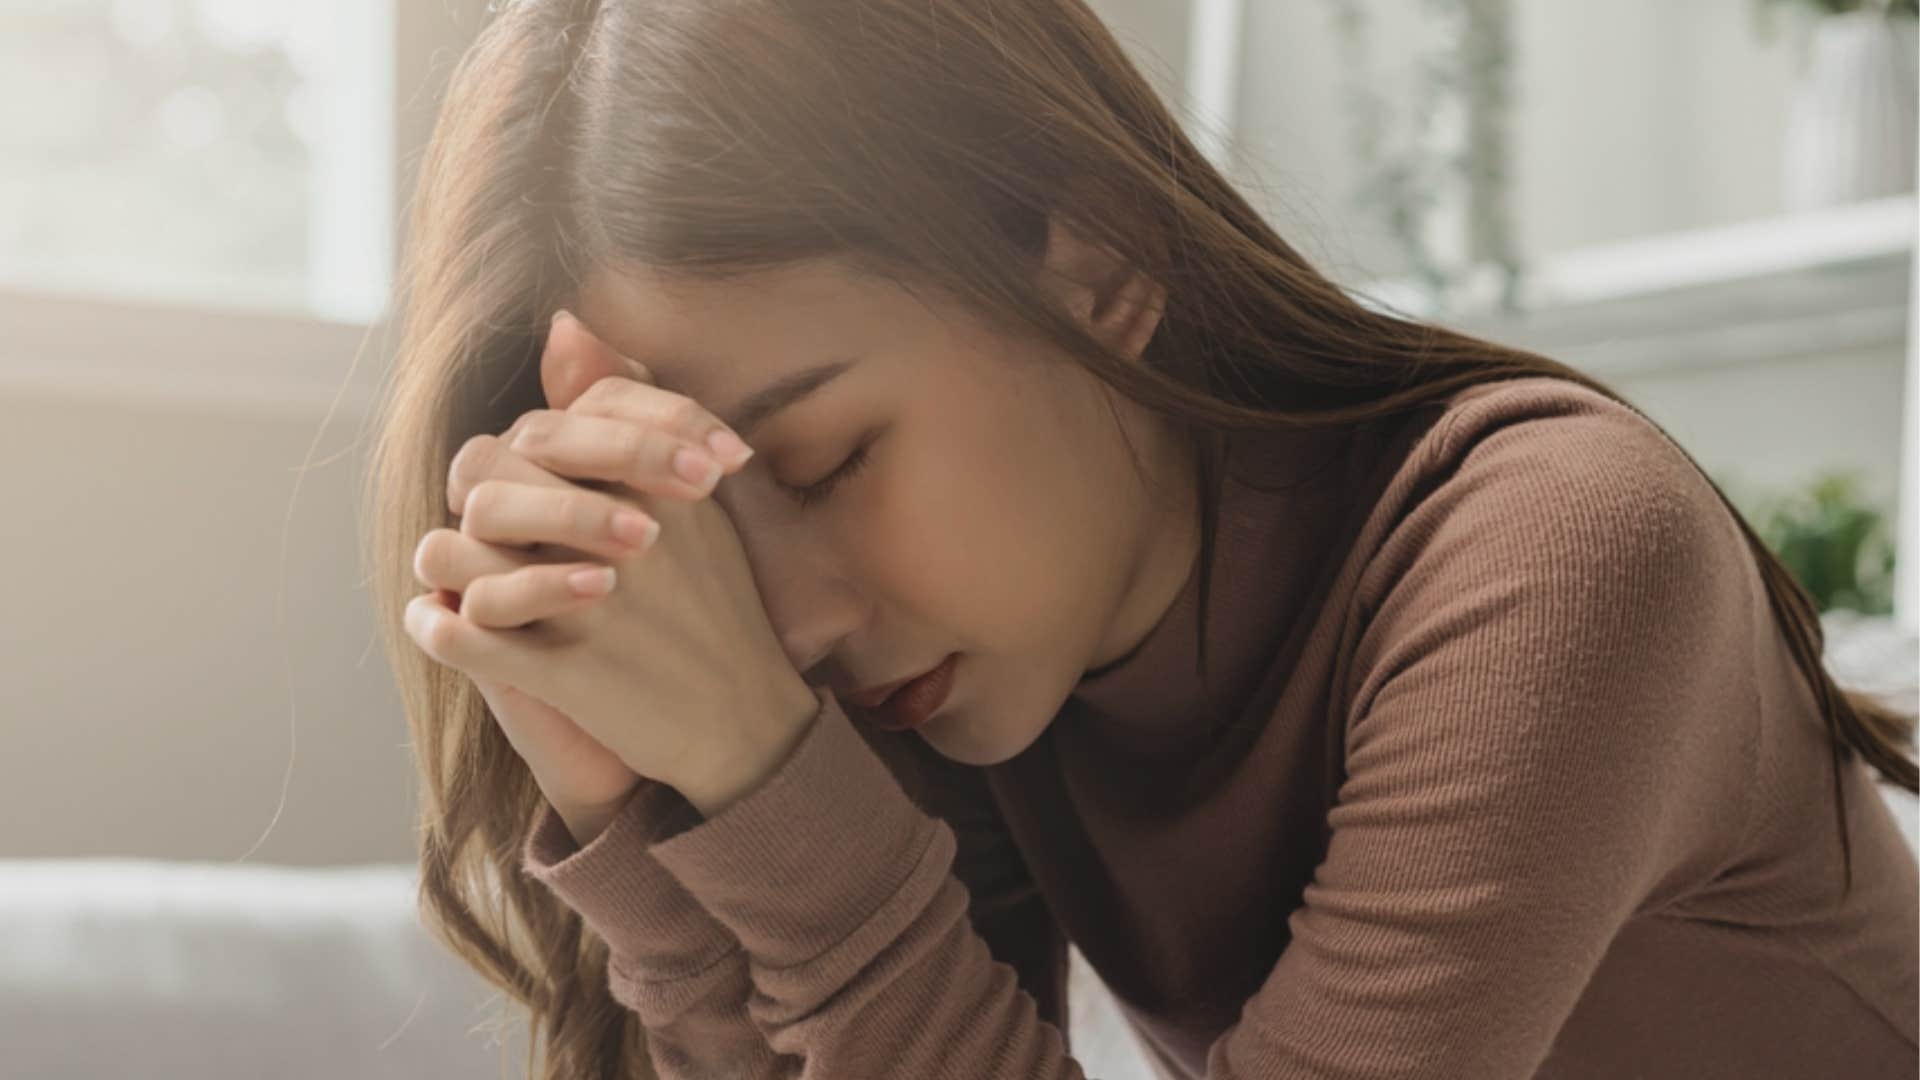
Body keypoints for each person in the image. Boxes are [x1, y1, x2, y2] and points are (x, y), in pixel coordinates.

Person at [365, 1, 1920, 1077]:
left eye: (829, 460)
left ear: (1098, 259)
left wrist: (774, 787)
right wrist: (644, 808)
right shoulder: (968, 663)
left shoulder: (1553, 557)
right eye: (700, 530)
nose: (785, 625)